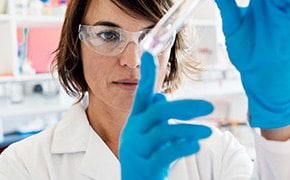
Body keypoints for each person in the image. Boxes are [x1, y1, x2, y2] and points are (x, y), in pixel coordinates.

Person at [0, 0, 290, 179]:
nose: (132, 60)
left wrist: (278, 122)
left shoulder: (216, 153)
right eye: (108, 35)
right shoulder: (24, 165)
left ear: (171, 49)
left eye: (153, 36)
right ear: (77, 46)